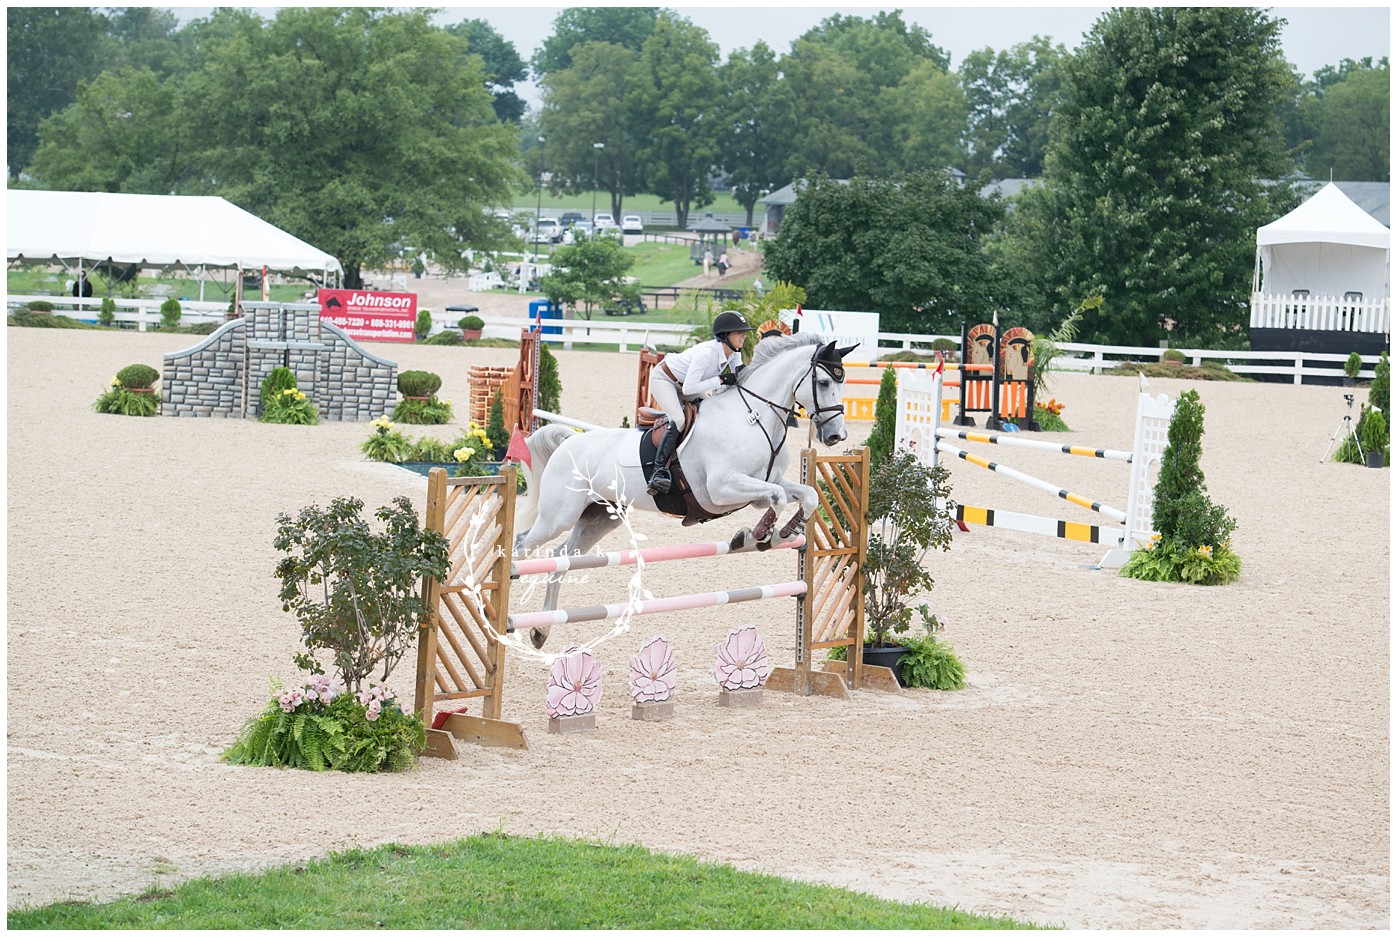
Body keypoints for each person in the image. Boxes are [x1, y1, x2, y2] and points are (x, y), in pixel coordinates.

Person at [645, 310, 756, 495]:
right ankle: (658, 472)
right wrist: (720, 380)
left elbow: (740, 374)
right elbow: (689, 389)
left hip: (688, 384)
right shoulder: (707, 353)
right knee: (679, 420)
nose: (743, 335)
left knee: (712, 409)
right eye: (739, 332)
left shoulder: (734, 352)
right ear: (725, 335)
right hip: (665, 380)